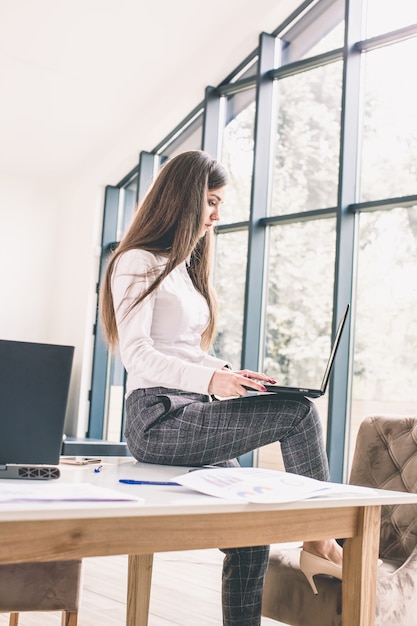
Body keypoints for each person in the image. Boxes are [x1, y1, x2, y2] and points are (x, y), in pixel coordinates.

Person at [100, 149, 342, 625]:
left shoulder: (184, 268)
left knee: (250, 534)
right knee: (299, 414)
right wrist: (212, 379)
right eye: (210, 201)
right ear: (183, 200)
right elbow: (138, 355)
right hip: (158, 419)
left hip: (194, 410)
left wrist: (233, 374)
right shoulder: (136, 261)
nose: (217, 214)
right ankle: (319, 536)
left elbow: (182, 349)